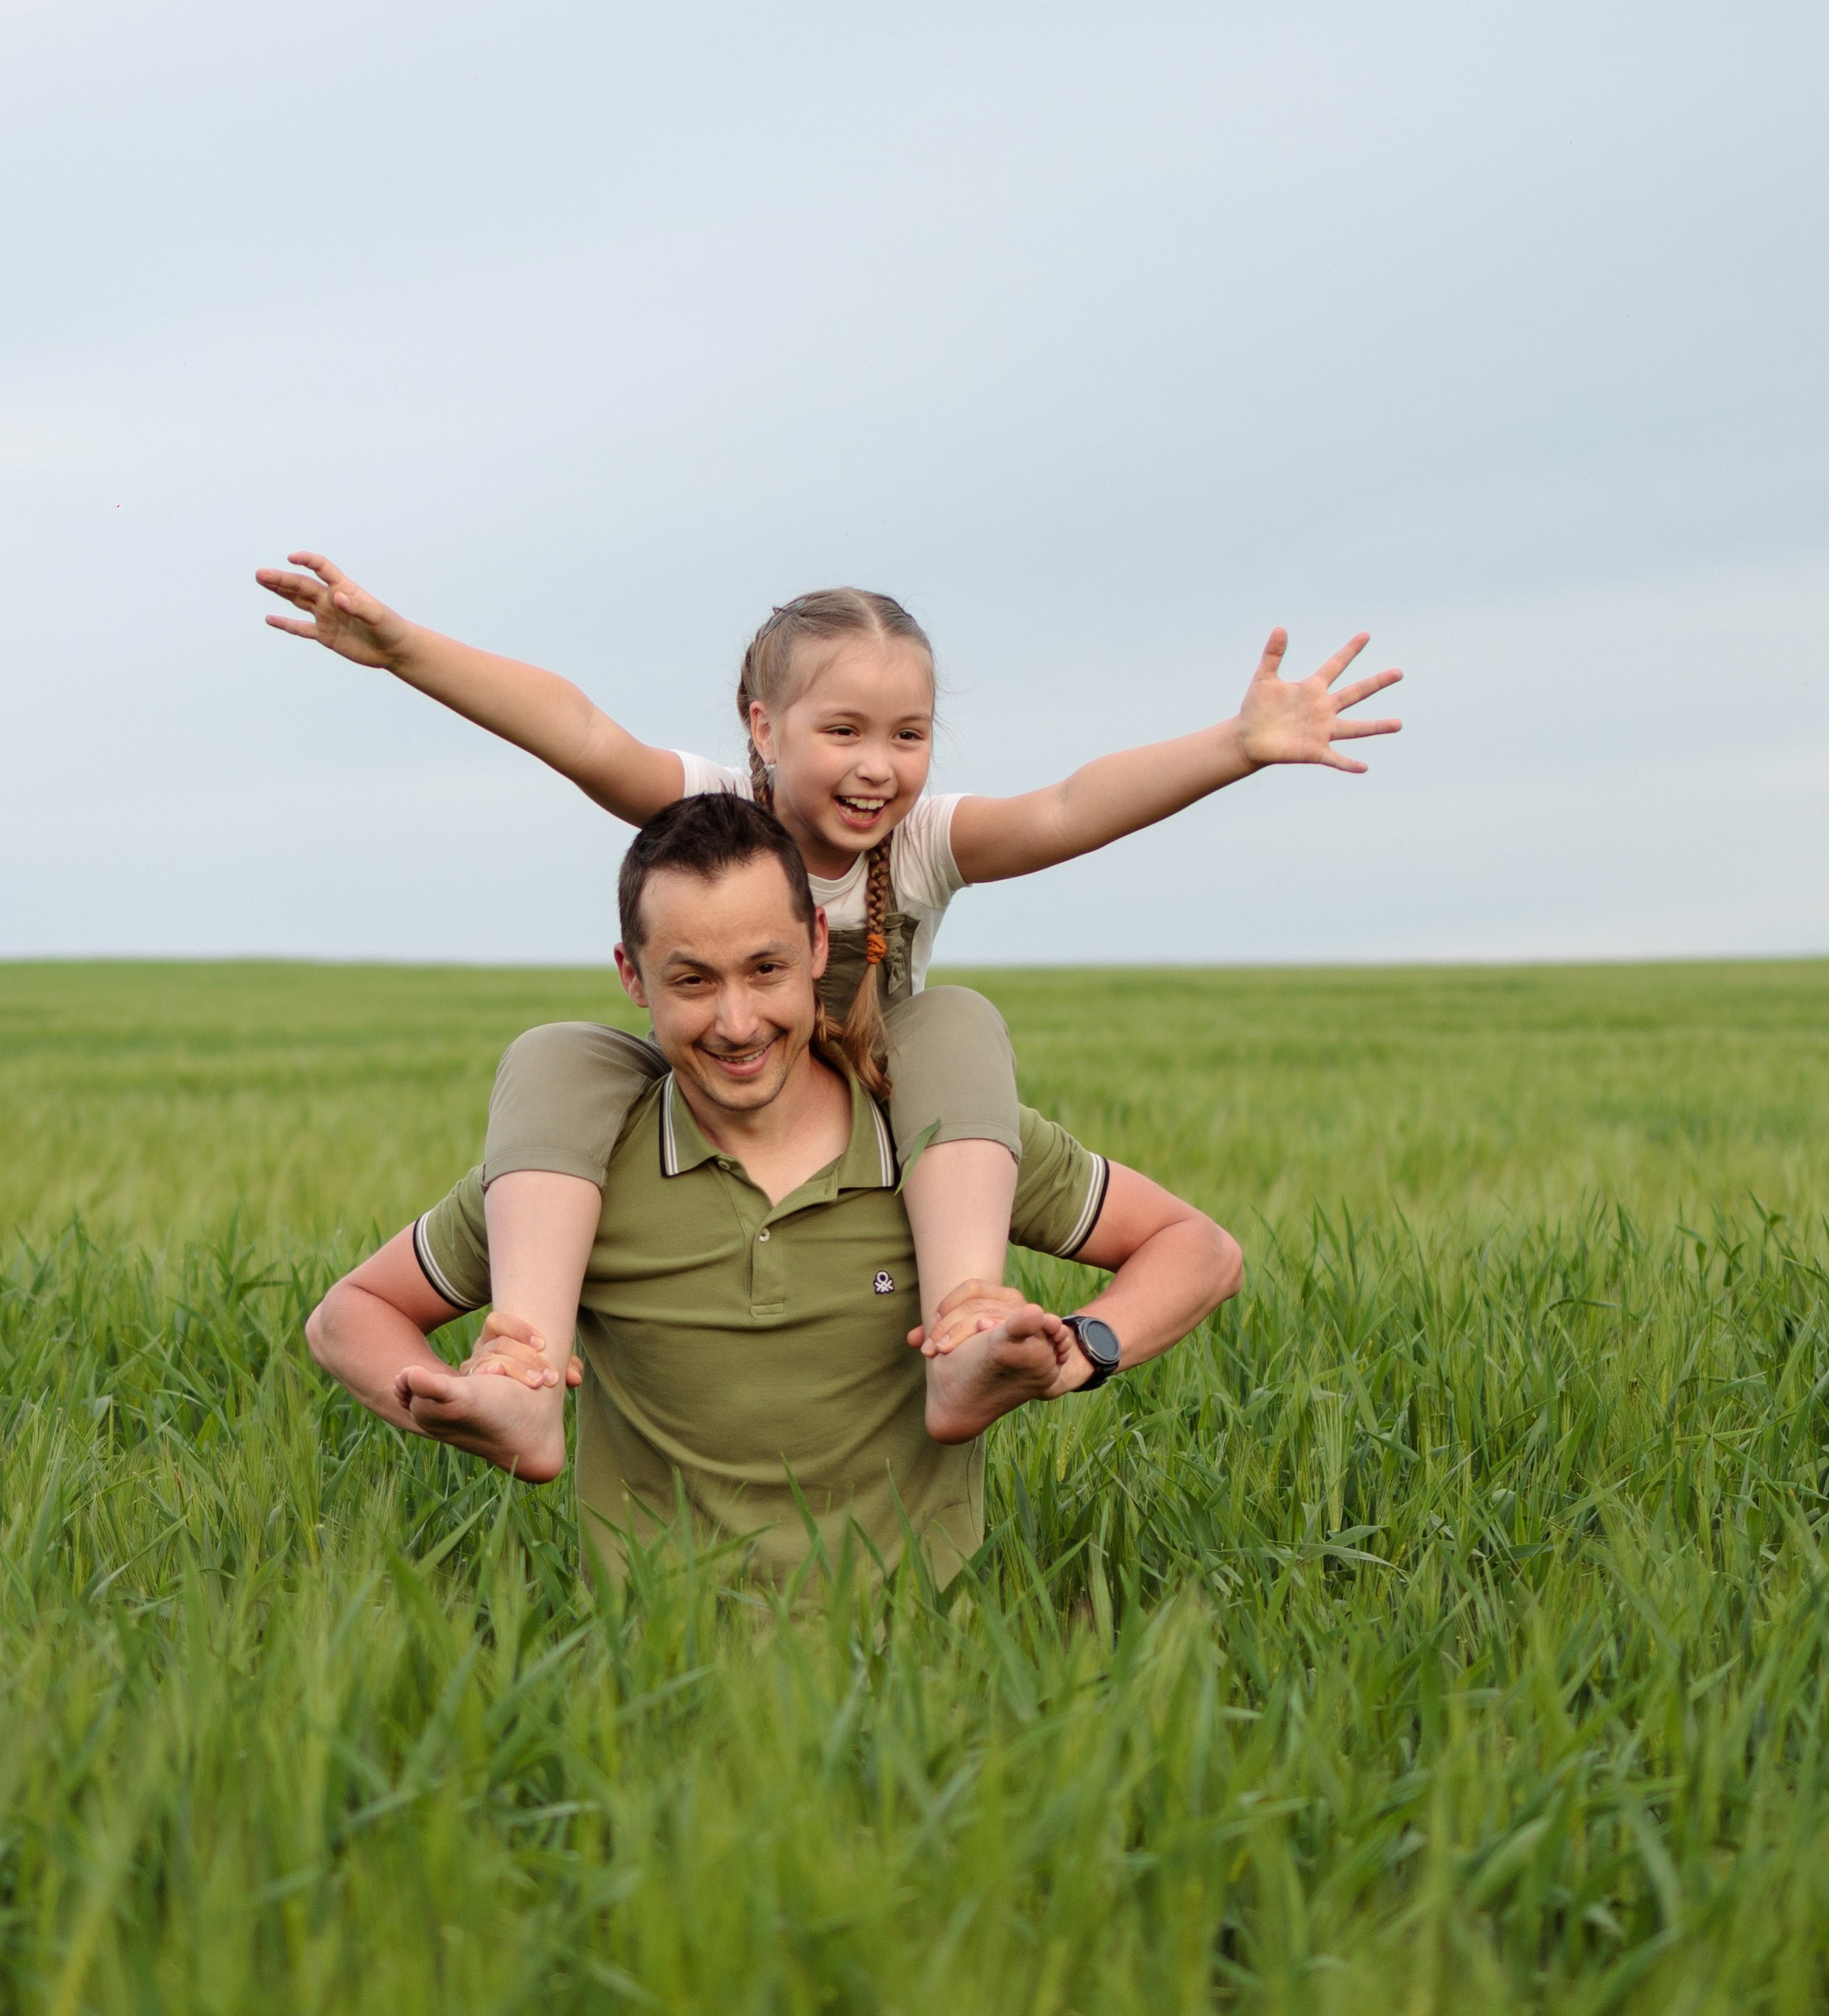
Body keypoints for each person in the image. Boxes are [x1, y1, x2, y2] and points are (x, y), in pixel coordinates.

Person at [262, 560, 1396, 1435]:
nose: (877, 766)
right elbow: (581, 731)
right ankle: (522, 1365)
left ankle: (966, 1319)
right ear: (763, 727)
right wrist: (408, 652)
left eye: (909, 736)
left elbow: (1066, 807)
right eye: (842, 731)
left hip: (876, 1089)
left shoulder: (922, 843)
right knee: (562, 1056)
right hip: (715, 1082)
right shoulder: (711, 811)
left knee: (949, 1022)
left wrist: (1236, 747)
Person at [306, 792, 1243, 1587]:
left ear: (815, 945)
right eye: (691, 981)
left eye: (765, 970)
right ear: (632, 976)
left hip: (925, 1663)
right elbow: (350, 1313)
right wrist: (454, 1401)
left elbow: (1198, 1249)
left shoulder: (944, 1144)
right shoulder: (570, 1174)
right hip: (653, 1665)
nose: (736, 1021)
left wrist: (1081, 1352)